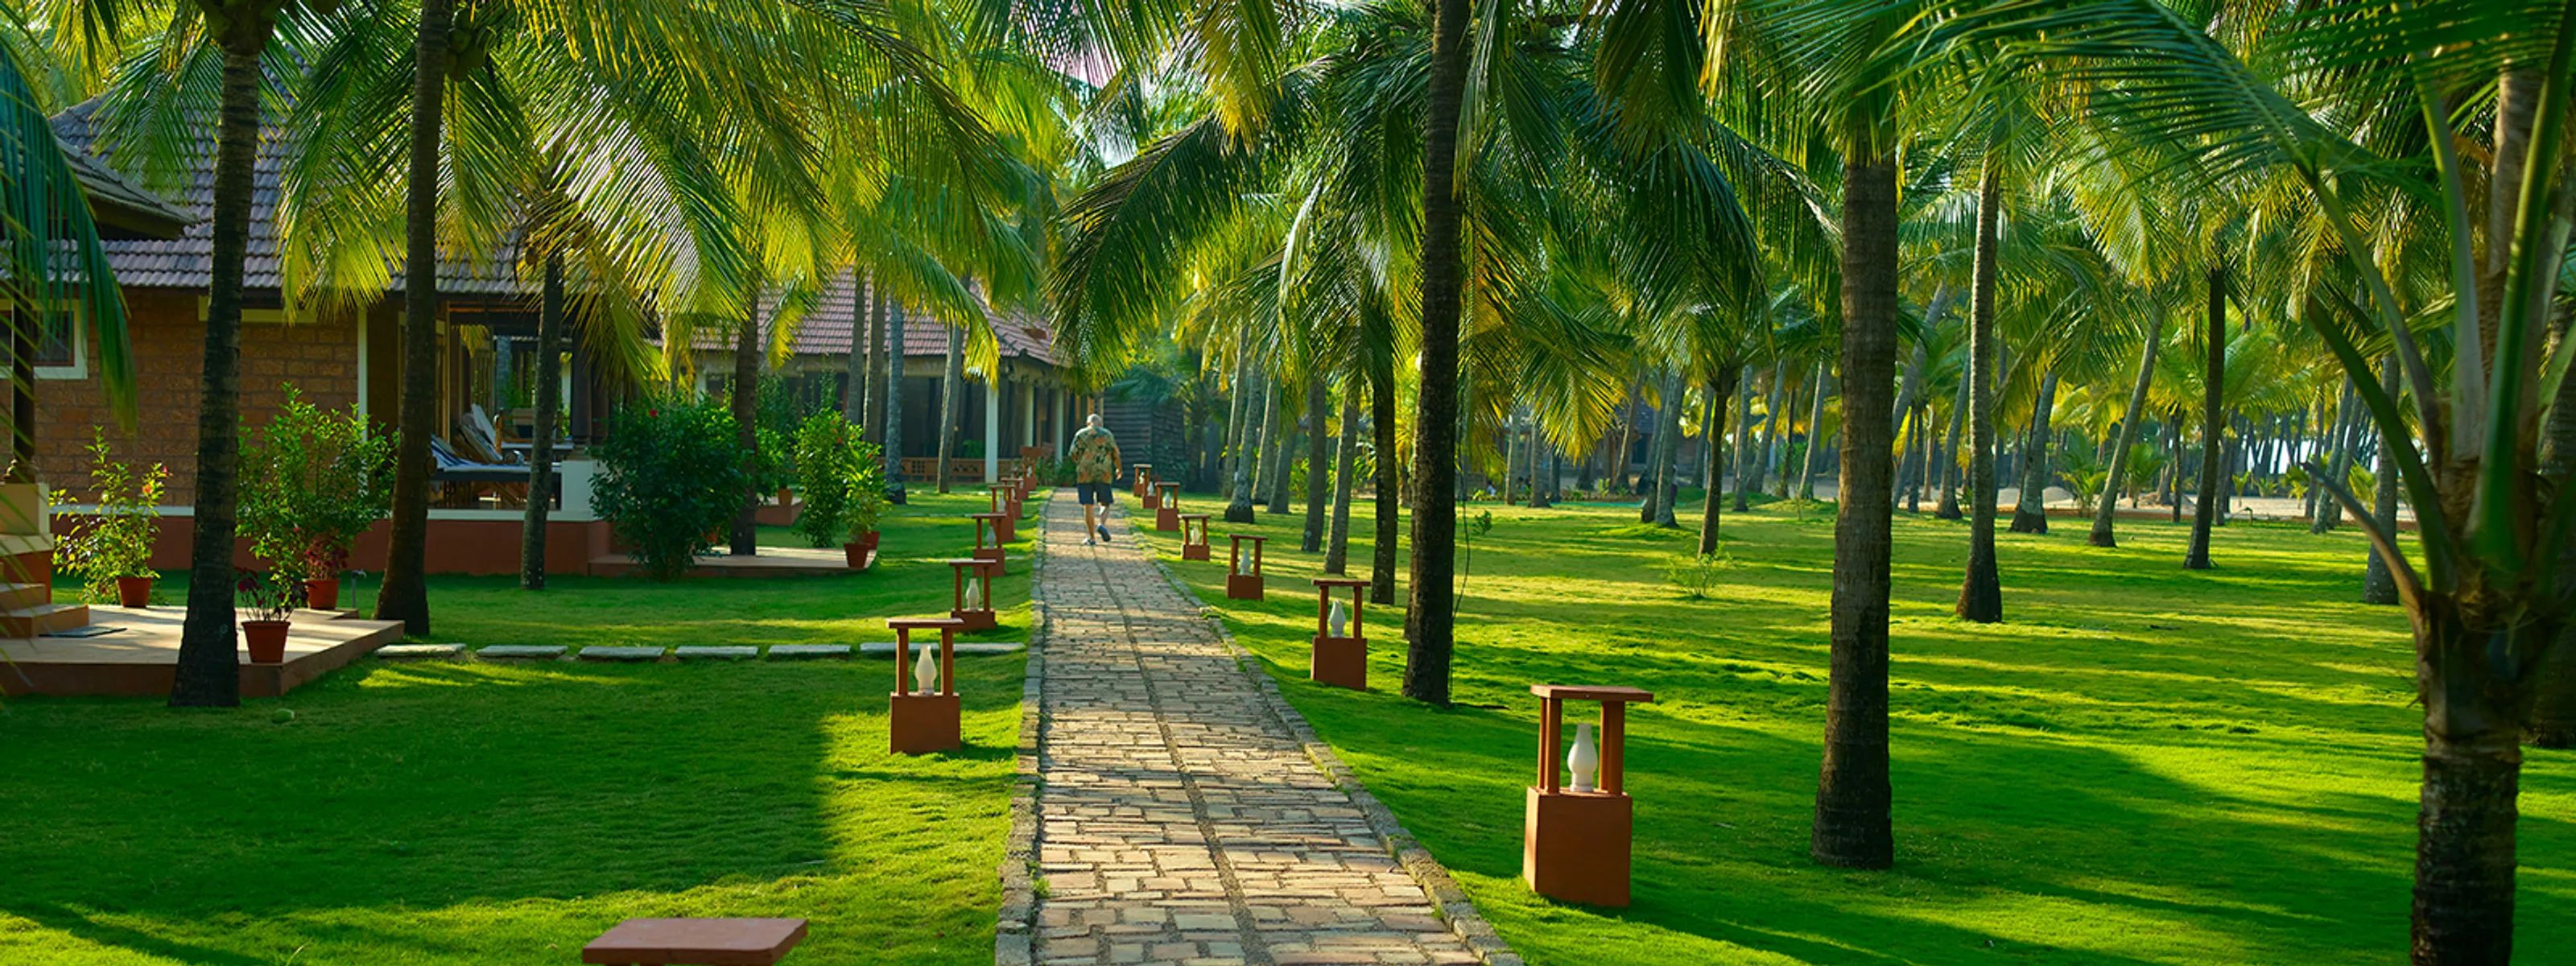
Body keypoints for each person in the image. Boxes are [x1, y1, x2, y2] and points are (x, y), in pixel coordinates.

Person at [1068, 413, 1121, 545]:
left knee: (1088, 505)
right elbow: (1116, 454)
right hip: (1104, 473)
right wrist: (1119, 468)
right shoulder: (1107, 434)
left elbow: (1072, 453)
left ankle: (1092, 538)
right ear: (1101, 424)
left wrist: (1081, 463)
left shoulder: (1081, 434)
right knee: (1105, 503)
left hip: (1085, 473)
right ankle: (1101, 524)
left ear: (1088, 424)